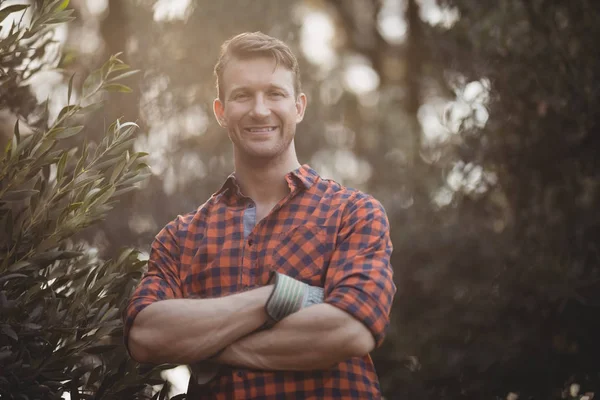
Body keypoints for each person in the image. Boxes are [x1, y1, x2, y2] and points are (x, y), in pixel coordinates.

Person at [123, 31, 396, 399]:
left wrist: (210, 350)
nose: (260, 109)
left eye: (275, 93)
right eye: (242, 95)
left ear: (298, 107)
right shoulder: (180, 238)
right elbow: (145, 336)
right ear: (221, 112)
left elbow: (350, 329)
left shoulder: (354, 213)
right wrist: (280, 296)